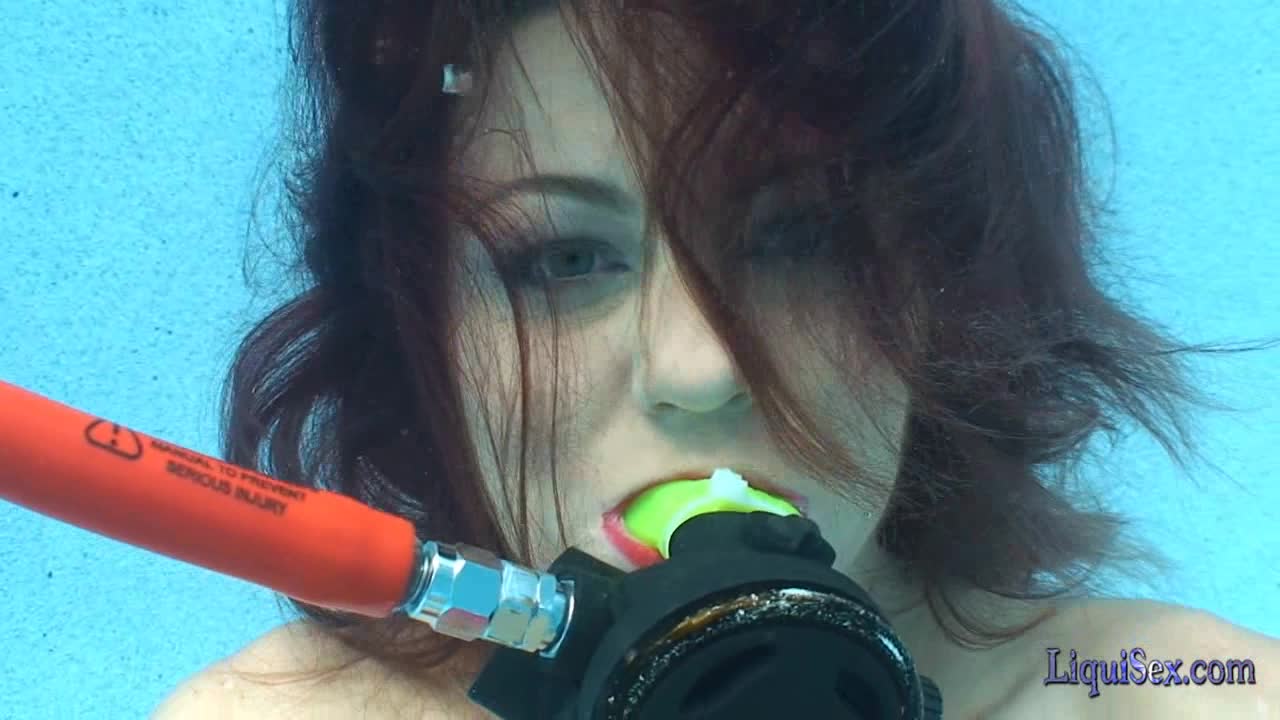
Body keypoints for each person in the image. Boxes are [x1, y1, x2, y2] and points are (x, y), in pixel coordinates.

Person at [153, 1, 1277, 717]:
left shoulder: (1175, 691)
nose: (697, 370)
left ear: (948, 287)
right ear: (421, 328)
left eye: (801, 238)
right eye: (561, 259)